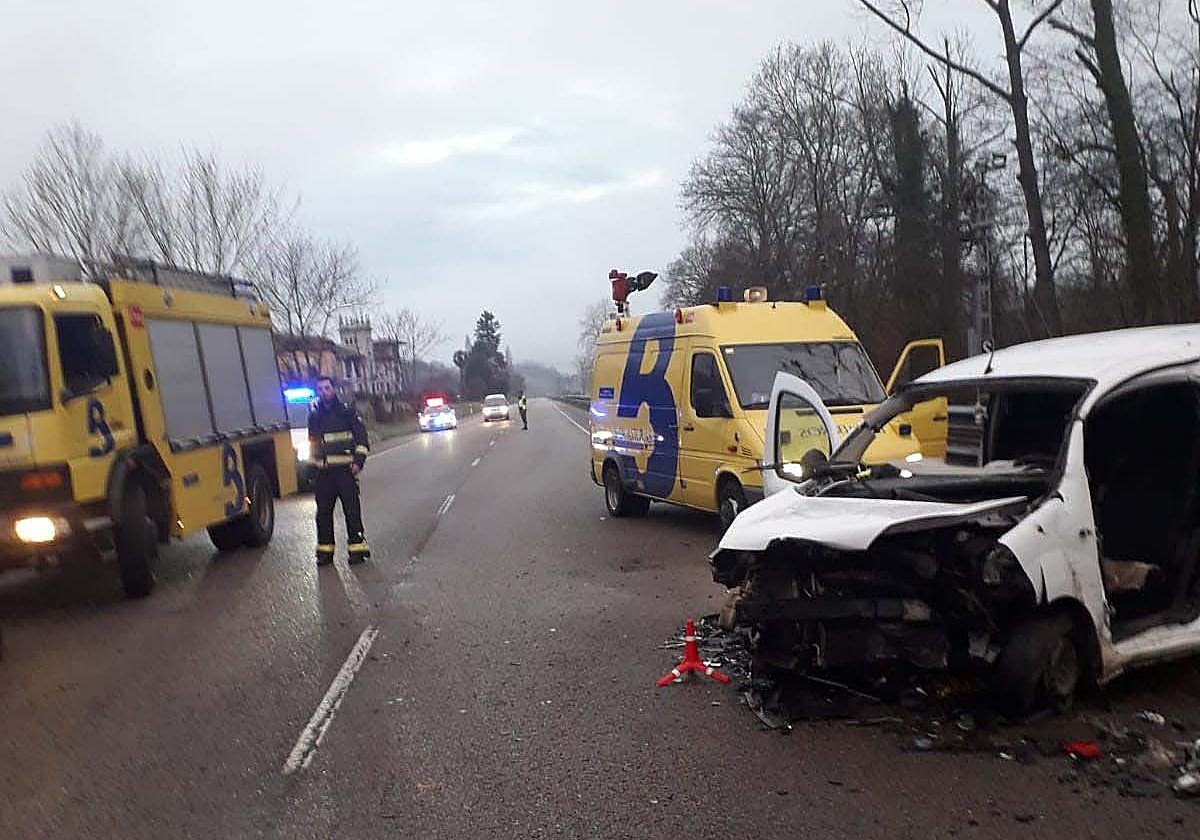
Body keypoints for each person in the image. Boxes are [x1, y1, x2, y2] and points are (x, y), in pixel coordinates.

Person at [308, 376, 370, 566]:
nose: (323, 391)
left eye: (327, 388)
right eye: (320, 388)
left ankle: (357, 549)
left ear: (334, 389)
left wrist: (358, 462)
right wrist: (311, 472)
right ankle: (325, 552)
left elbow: (361, 440)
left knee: (351, 511)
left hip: (345, 472)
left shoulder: (347, 412)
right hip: (324, 474)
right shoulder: (314, 416)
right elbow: (312, 445)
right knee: (323, 514)